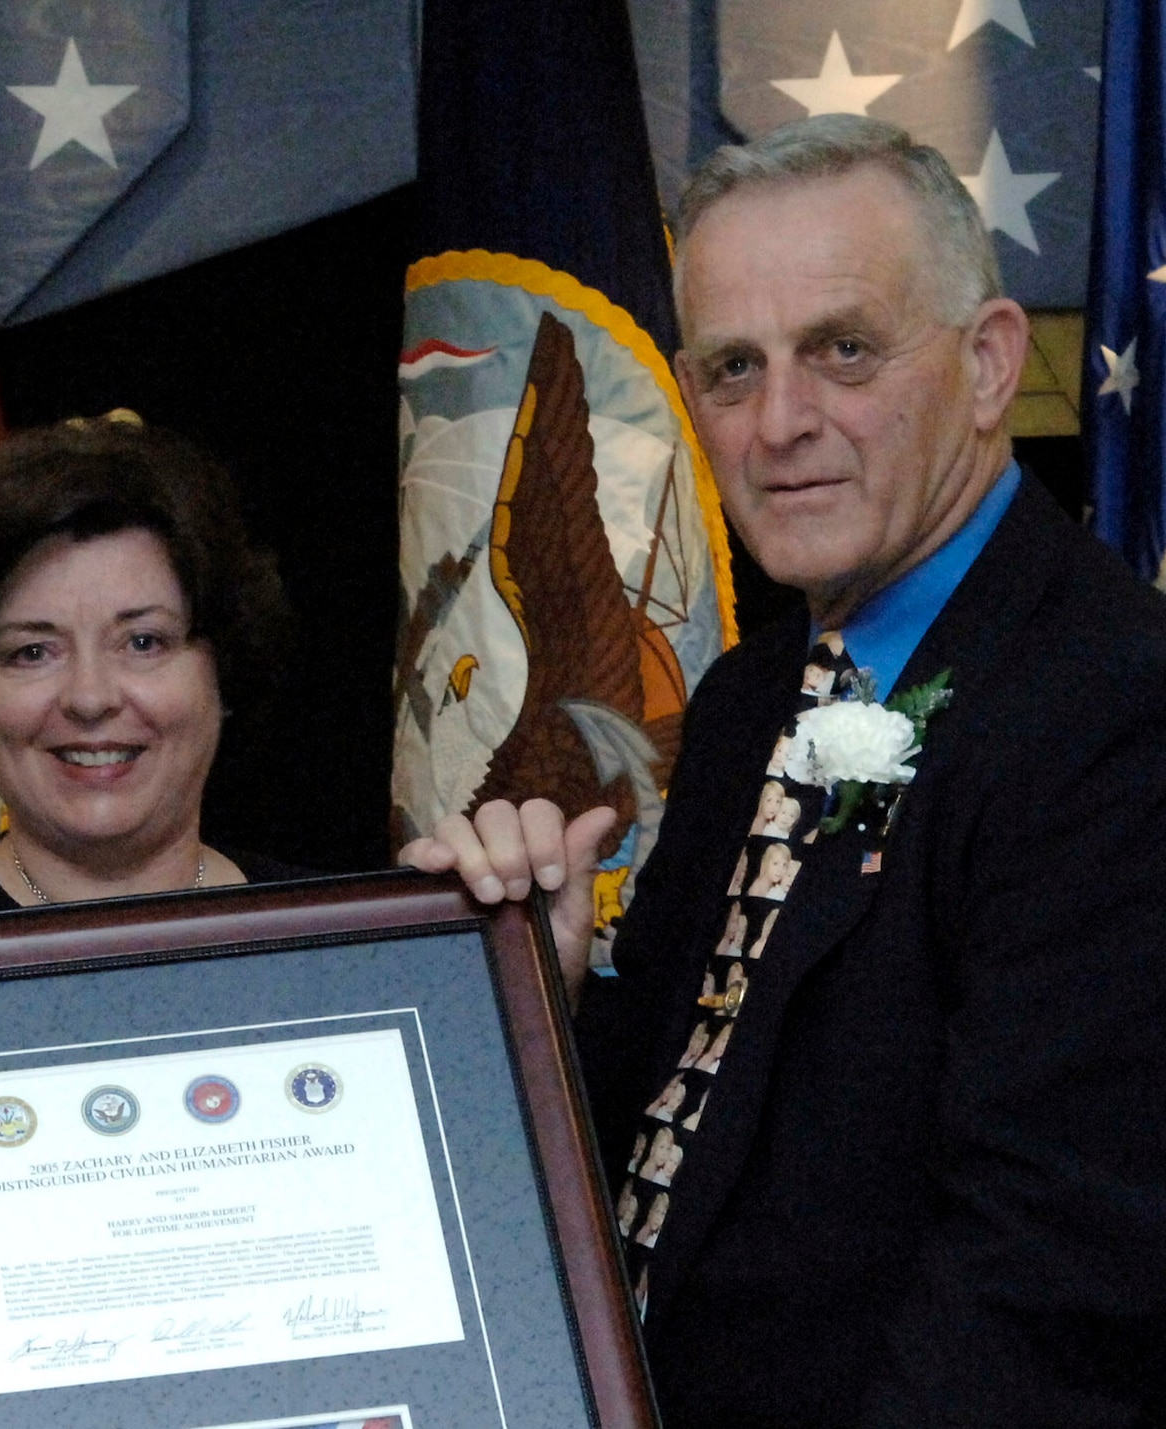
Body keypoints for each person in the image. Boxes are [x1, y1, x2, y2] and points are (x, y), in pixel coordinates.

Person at [403, 114, 1166, 1425]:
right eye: (732, 369)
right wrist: (544, 990)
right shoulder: (756, 689)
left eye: (843, 351)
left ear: (990, 364)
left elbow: (1047, 1290)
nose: (782, 423)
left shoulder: (1115, 708)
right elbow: (682, 1133)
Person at [0, 417, 306, 931]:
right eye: (34, 652)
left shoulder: (346, 949)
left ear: (222, 675)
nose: (90, 698)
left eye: (143, 643)